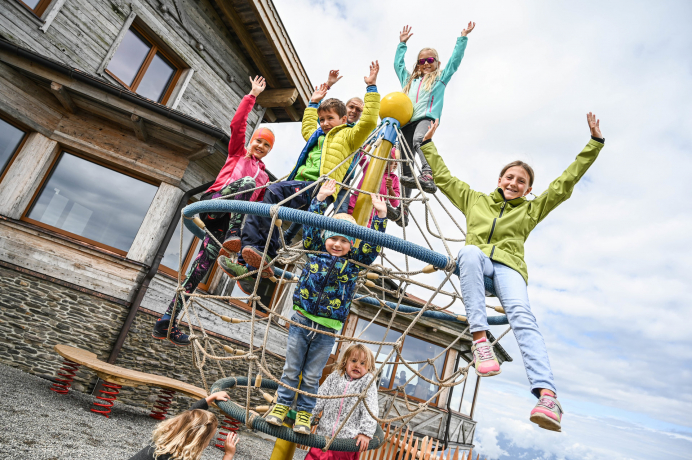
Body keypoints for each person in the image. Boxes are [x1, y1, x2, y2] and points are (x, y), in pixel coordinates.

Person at [419, 113, 605, 432]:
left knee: (522, 315)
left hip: (509, 269)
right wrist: (427, 145)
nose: (514, 183)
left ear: (528, 189)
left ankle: (547, 396)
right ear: (500, 179)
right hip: (478, 264)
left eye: (521, 181)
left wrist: (594, 144)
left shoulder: (531, 211)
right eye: (510, 177)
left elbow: (565, 183)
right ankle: (480, 340)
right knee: (468, 252)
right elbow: (445, 178)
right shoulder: (474, 200)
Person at [228, 63, 381, 279]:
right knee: (267, 205)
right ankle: (251, 261)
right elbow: (307, 126)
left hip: (319, 188)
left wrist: (372, 87)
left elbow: (368, 122)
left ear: (344, 120)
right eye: (323, 119)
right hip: (302, 185)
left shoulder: (349, 137)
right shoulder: (317, 136)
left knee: (272, 193)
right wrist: (313, 102)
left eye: (330, 119)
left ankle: (257, 249)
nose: (325, 123)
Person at [153, 76, 273, 346]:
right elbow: (237, 124)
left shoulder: (265, 179)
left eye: (266, 146)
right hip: (216, 203)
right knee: (246, 183)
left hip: (227, 225)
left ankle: (167, 321)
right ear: (252, 142)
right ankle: (233, 236)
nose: (261, 147)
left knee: (199, 270)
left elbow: (255, 208)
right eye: (259, 142)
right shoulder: (237, 155)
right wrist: (252, 95)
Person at [264, 179, 388, 434]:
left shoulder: (354, 263)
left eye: (345, 241)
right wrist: (319, 201)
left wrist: (380, 217)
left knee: (311, 375)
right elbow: (311, 227)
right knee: (291, 368)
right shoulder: (316, 250)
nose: (338, 244)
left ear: (352, 244)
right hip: (302, 318)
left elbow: (372, 246)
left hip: (327, 326)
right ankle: (281, 405)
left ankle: (304, 414)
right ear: (326, 238)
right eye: (333, 238)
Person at [283, 71, 367, 244]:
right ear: (345, 111)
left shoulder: (357, 134)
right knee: (309, 208)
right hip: (326, 173)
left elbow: (371, 126)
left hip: (343, 178)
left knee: (340, 213)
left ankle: (336, 243)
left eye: (358, 110)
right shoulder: (330, 127)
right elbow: (314, 124)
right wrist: (326, 87)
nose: (354, 111)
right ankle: (289, 236)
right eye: (351, 107)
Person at [394, 22, 475, 198]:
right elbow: (398, 66)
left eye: (430, 60)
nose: (426, 63)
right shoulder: (409, 81)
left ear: (437, 63)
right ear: (417, 65)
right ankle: (404, 207)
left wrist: (462, 38)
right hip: (407, 122)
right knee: (405, 160)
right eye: (422, 61)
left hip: (426, 119)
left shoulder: (440, 79)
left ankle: (427, 174)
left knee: (420, 140)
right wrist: (402, 44)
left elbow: (455, 61)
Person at [306, 344, 379, 459]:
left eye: (362, 363)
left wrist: (365, 433)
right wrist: (307, 418)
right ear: (345, 361)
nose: (357, 365)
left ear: (369, 367)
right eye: (353, 360)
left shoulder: (367, 382)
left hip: (346, 444)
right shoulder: (335, 376)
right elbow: (319, 398)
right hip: (323, 437)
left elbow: (371, 407)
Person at [127, 391, 238, 460]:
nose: (208, 443)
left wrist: (212, 397)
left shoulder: (167, 438)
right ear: (198, 440)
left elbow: (190, 415)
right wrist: (228, 455)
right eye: (209, 439)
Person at [347, 147, 401, 226]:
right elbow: (362, 154)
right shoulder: (370, 167)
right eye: (384, 160)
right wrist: (368, 144)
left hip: (371, 215)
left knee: (364, 236)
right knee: (346, 231)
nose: (386, 164)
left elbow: (395, 203)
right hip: (353, 206)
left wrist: (390, 189)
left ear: (394, 164)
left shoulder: (394, 178)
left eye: (390, 163)